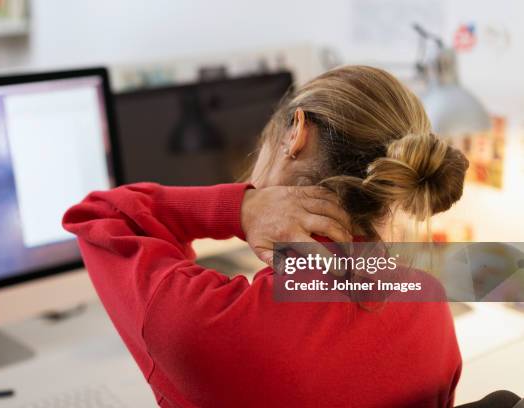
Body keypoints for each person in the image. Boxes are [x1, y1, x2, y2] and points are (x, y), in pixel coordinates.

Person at [62, 65, 469, 408]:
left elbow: (98, 215)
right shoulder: (429, 298)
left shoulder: (204, 322)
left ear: (297, 133)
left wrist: (240, 208)